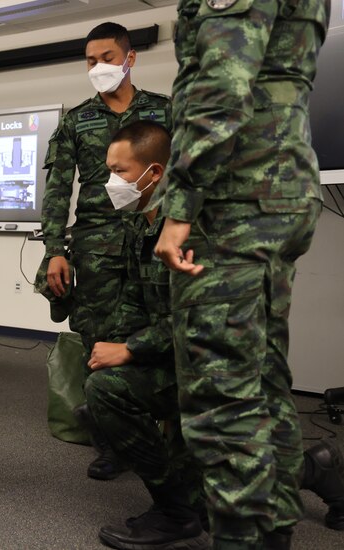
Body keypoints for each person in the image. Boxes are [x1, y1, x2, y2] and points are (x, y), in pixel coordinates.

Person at [153, 0, 331, 547]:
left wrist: (179, 206)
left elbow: (223, 84)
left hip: (235, 199)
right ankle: (272, 531)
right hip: (276, 191)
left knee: (221, 398)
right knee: (263, 383)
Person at [40, 21, 171, 480]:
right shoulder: (78, 119)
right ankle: (111, 443)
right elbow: (58, 187)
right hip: (96, 243)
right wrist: (55, 248)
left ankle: (161, 438)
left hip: (156, 237)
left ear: (130, 59)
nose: (98, 68)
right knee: (98, 338)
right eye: (90, 61)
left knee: (154, 332)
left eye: (107, 58)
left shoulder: (163, 111)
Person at [84, 121, 209, 550]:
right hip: (176, 358)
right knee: (102, 385)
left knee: (240, 477)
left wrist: (132, 350)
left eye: (120, 172)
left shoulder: (191, 228)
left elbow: (199, 319)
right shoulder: (144, 220)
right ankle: (184, 502)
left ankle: (176, 512)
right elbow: (136, 302)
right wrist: (110, 346)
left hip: (212, 366)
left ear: (153, 173)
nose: (111, 183)